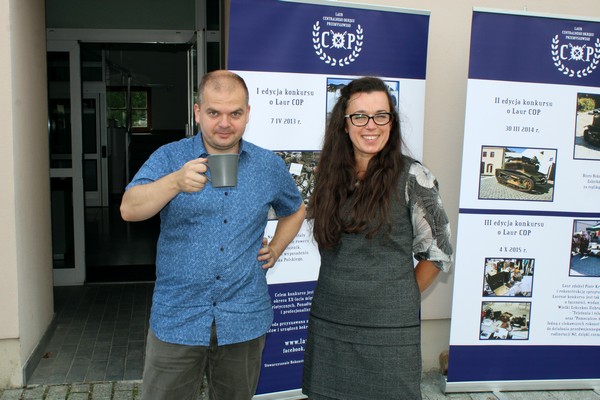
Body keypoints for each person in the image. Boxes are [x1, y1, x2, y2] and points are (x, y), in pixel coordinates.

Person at [120, 70, 306, 400]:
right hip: (178, 317)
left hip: (243, 317)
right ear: (197, 112)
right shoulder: (170, 157)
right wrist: (174, 182)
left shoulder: (267, 165)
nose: (224, 123)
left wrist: (276, 248)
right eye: (214, 112)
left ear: (248, 113)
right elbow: (129, 208)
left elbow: (296, 209)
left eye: (235, 113)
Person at [302, 77, 453, 400]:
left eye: (381, 115)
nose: (371, 125)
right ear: (344, 124)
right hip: (331, 321)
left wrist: (398, 296)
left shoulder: (414, 177)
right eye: (360, 116)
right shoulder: (326, 176)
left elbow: (438, 252)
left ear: (391, 122)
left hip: (389, 329)